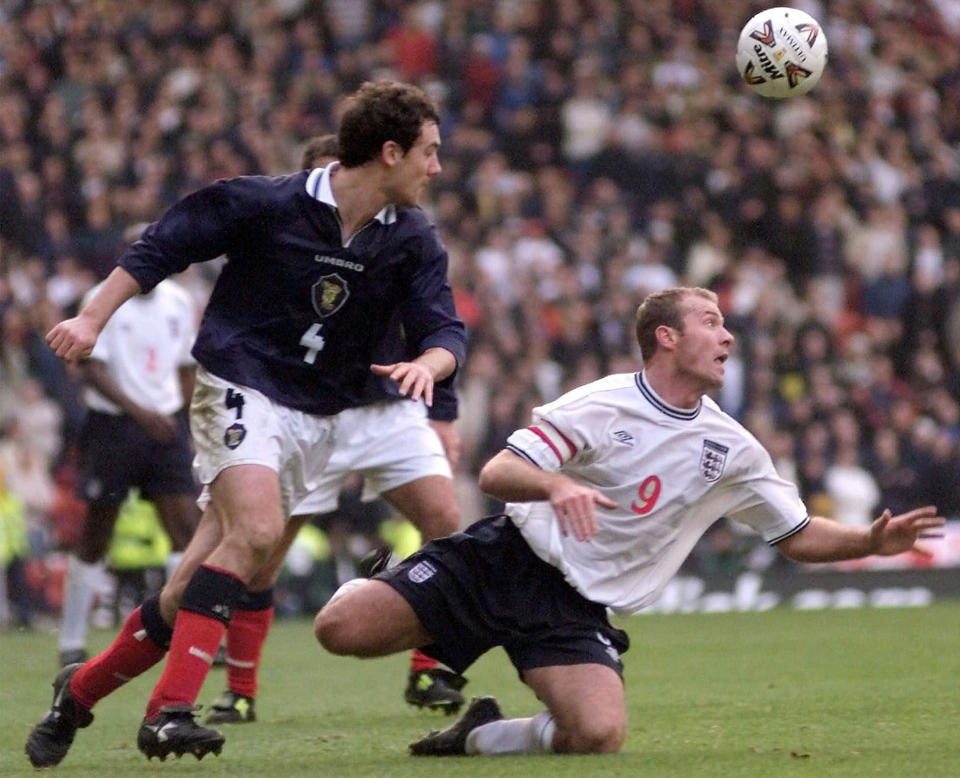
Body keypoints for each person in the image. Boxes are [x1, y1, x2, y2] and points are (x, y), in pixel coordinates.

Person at [26, 80, 466, 767]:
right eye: (430, 153)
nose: (437, 168)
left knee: (186, 590)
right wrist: (90, 318)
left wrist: (431, 368)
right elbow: (159, 248)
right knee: (258, 534)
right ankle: (170, 712)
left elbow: (444, 329)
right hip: (241, 386)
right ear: (389, 152)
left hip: (322, 418)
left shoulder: (411, 237)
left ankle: (76, 694)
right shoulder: (266, 201)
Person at [313, 286, 944, 757]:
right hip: (504, 559)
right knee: (339, 629)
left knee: (598, 734)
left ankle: (478, 736)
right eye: (710, 322)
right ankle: (389, 578)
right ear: (666, 337)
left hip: (574, 603)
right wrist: (556, 483)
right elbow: (498, 473)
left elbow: (797, 533)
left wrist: (868, 540)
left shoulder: (734, 449)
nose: (727, 337)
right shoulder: (597, 403)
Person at [203, 132, 466, 726]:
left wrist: (442, 413)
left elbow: (435, 325)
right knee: (263, 552)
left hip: (387, 407)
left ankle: (428, 668)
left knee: (445, 522)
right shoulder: (294, 236)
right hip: (305, 408)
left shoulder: (400, 235)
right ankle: (239, 690)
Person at [57, 277, 200, 667]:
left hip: (166, 427)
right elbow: (91, 368)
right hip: (113, 427)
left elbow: (186, 368)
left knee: (186, 530)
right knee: (96, 532)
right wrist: (141, 414)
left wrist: (187, 423)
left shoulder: (178, 301)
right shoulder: (101, 295)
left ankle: (184, 630)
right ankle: (71, 640)